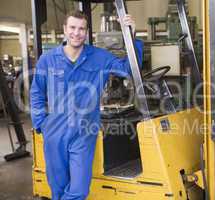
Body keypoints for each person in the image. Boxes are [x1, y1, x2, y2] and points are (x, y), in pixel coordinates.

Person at [30, 10, 143, 200]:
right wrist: (40, 123)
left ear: (86, 31)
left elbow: (128, 70)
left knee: (79, 190)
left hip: (84, 132)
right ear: (65, 29)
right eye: (73, 27)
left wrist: (132, 37)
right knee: (57, 188)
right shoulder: (48, 60)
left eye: (81, 29)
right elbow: (36, 93)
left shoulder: (99, 57)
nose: (77, 33)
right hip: (54, 133)